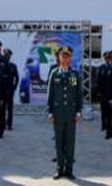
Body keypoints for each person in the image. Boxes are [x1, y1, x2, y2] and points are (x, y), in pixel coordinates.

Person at [47, 45, 82, 180]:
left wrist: (78, 112)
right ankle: (59, 169)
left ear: (70, 58)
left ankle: (69, 170)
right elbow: (50, 94)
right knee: (59, 143)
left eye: (67, 56)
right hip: (58, 114)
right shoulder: (54, 73)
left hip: (71, 114)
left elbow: (79, 94)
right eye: (63, 56)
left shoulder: (75, 74)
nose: (65, 58)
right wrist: (50, 112)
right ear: (59, 58)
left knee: (70, 143)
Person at [2, 48, 19, 132]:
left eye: (8, 55)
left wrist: (14, 87)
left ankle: (9, 124)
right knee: (2, 109)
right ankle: (3, 124)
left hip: (10, 90)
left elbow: (17, 77)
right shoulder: (1, 65)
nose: (7, 57)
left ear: (10, 56)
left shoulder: (13, 66)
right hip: (3, 90)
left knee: (10, 108)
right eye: (5, 55)